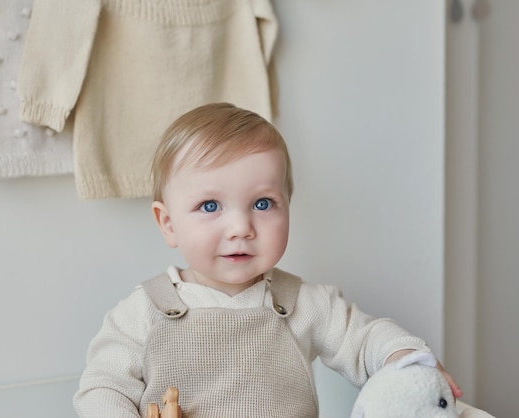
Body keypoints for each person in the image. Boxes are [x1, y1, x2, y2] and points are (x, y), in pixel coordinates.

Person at [73, 102, 461, 417]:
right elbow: (103, 387)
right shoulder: (143, 312)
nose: (241, 226)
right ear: (168, 223)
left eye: (263, 203)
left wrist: (406, 359)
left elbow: (364, 340)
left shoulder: (304, 304)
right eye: (210, 205)